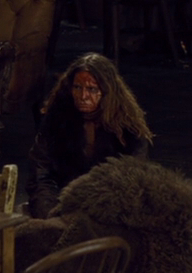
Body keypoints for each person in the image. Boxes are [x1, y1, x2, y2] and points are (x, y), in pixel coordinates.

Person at [27, 53, 153, 218]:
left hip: (109, 208)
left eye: (92, 89)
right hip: (60, 204)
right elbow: (40, 174)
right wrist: (50, 213)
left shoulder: (127, 128)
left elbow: (132, 179)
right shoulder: (57, 119)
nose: (83, 96)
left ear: (106, 91)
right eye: (77, 87)